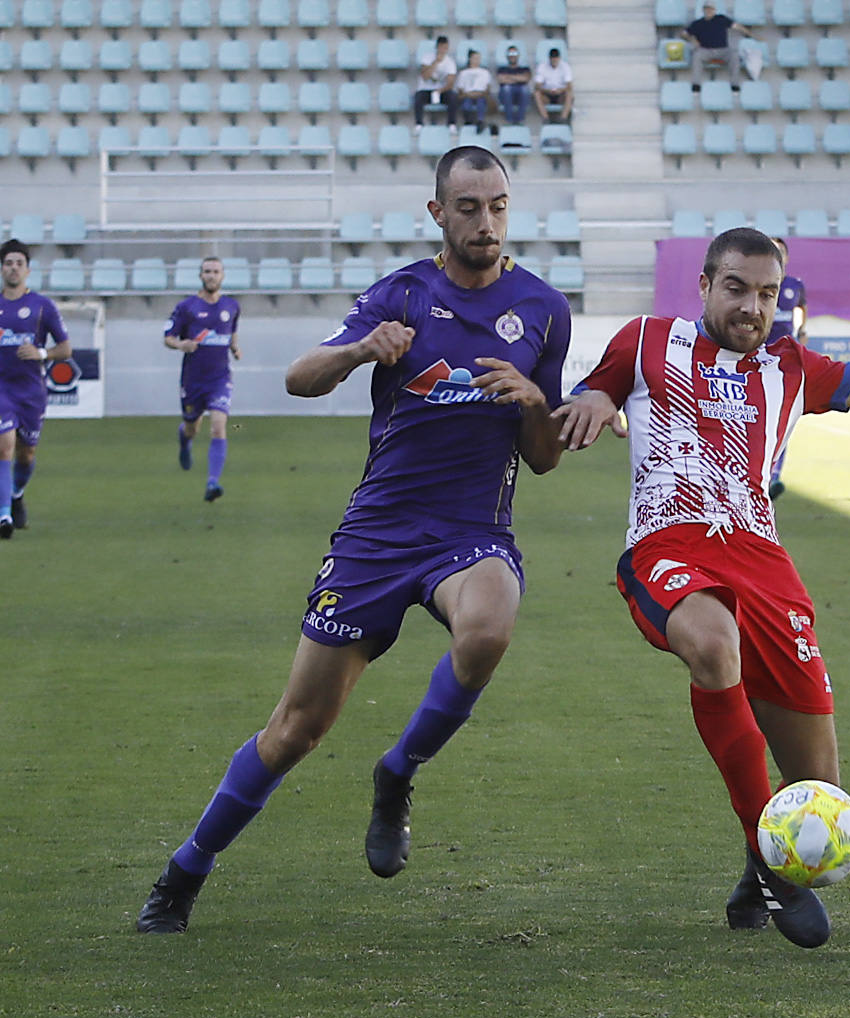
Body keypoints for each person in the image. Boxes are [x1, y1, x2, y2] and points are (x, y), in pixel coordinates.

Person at [554, 228, 850, 948]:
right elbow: (599, 388)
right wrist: (596, 401)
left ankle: (760, 871)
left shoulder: (792, 367)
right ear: (705, 286)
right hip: (669, 542)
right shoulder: (650, 338)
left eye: (768, 293)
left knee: (818, 793)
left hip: (765, 565)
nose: (753, 307)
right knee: (715, 648)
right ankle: (775, 869)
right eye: (737, 288)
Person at [136, 147, 572, 934]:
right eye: (469, 207)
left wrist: (536, 400)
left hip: (473, 531)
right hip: (378, 533)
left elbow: (542, 458)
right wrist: (361, 350)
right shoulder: (401, 293)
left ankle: (398, 771)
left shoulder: (542, 309)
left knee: (489, 627)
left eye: (499, 205)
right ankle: (185, 871)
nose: (486, 221)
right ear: (438, 214)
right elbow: (301, 377)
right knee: (296, 729)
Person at [0, 238, 72, 539]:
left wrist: (41, 354)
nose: (13, 268)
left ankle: (16, 493)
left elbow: (65, 348)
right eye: (8, 263)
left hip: (31, 391)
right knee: (5, 446)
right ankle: (3, 516)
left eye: (19, 263)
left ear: (28, 270)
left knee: (27, 454)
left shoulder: (42, 306)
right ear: (2, 269)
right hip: (2, 387)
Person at [164, 256, 242, 503]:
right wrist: (181, 344)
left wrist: (235, 348)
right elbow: (168, 337)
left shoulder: (231, 306)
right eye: (207, 271)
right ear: (200, 275)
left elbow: (233, 332)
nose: (211, 275)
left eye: (215, 271)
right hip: (193, 381)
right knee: (191, 427)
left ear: (222, 276)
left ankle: (212, 482)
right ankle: (184, 441)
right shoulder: (187, 307)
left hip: (219, 378)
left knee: (218, 426)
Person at [766, 236, 808, 499]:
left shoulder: (795, 285)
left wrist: (802, 329)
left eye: (782, 252)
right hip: (758, 356)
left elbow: (802, 309)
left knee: (782, 418)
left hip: (785, 361)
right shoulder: (759, 284)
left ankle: (773, 476)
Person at [683, 2, 753, 93]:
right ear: (703, 10)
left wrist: (750, 34)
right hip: (705, 50)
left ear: (714, 10)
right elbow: (684, 34)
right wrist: (692, 39)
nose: (709, 11)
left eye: (711, 9)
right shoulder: (697, 23)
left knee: (734, 55)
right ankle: (696, 85)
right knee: (696, 55)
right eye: (707, 9)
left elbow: (737, 26)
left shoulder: (721, 19)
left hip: (723, 50)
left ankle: (735, 85)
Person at [413, 34, 459, 133]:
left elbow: (450, 82)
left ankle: (452, 124)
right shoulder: (427, 58)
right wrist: (435, 63)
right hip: (426, 89)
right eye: (441, 47)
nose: (443, 50)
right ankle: (419, 124)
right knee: (418, 97)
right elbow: (425, 76)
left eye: (445, 48)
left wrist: (440, 90)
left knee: (453, 97)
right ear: (437, 47)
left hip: (441, 91)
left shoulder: (450, 62)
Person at [454, 49, 493, 133]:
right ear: (470, 59)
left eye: (478, 58)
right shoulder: (463, 73)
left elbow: (488, 89)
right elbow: (460, 89)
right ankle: (469, 122)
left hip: (481, 95)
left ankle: (480, 121)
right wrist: (469, 94)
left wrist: (478, 94)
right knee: (466, 104)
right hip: (467, 95)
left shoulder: (485, 72)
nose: (477, 60)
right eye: (475, 58)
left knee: (481, 102)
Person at [533, 47, 573, 122]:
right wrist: (547, 91)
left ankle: (563, 118)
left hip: (560, 94)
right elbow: (537, 86)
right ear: (549, 58)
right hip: (547, 94)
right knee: (536, 94)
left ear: (559, 58)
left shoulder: (565, 66)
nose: (554, 60)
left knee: (569, 93)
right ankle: (545, 118)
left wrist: (560, 90)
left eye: (556, 58)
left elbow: (569, 85)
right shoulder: (542, 66)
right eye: (552, 58)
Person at [495, 44, 532, 125]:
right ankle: (509, 120)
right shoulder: (502, 69)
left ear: (518, 55)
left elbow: (526, 78)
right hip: (505, 95)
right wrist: (518, 78)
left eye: (514, 54)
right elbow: (501, 80)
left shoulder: (524, 68)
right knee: (506, 89)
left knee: (525, 89)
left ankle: (520, 120)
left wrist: (509, 77)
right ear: (507, 56)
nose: (512, 56)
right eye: (510, 54)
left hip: (520, 94)